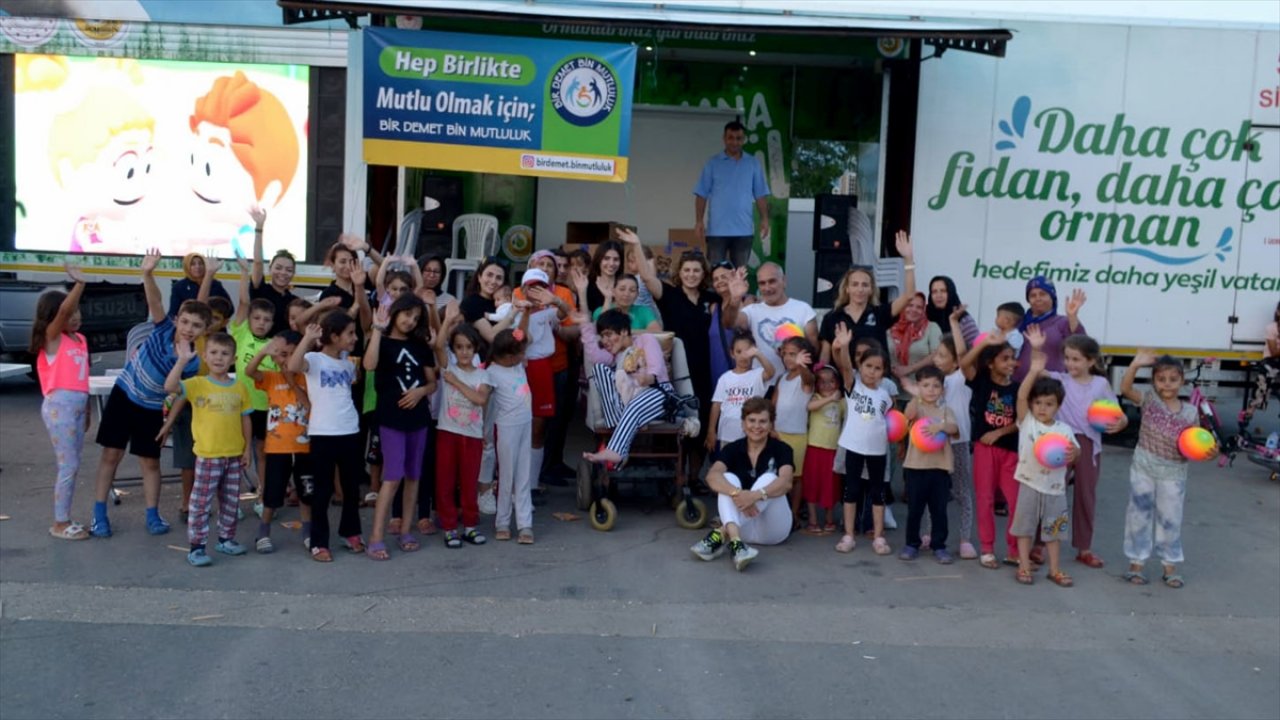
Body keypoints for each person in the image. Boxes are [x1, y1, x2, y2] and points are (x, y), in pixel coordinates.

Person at [92, 250, 210, 538]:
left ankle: (152, 515)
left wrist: (169, 421)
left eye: (196, 326)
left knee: (150, 462)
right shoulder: (161, 329)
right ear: (177, 319)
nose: (188, 329)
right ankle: (98, 515)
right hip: (124, 395)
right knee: (111, 455)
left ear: (204, 329)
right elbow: (155, 300)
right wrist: (147, 273)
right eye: (185, 322)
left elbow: (179, 393)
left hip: (151, 408)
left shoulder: (194, 361)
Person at [625, 228, 723, 480]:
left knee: (700, 421)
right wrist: (637, 243)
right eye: (687, 270)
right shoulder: (669, 295)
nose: (691, 275)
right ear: (679, 272)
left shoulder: (712, 299)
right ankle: (674, 477)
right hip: (676, 369)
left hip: (704, 368)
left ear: (703, 275)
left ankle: (693, 478)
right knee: (676, 421)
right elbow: (647, 277)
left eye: (696, 270)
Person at [156, 333, 252, 567]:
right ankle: (197, 547)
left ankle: (226, 539)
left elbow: (245, 419)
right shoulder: (197, 384)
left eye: (224, 353)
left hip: (233, 454)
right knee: (200, 503)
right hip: (208, 456)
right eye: (214, 353)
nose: (219, 358)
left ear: (233, 359)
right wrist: (181, 361)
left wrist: (247, 449)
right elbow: (169, 386)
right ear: (205, 357)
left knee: (231, 501)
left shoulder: (239, 387)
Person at [1119, 351, 1208, 589]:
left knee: (1170, 519)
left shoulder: (1190, 412)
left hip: (1174, 473)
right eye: (1161, 379)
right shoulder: (1149, 400)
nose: (1167, 384)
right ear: (1154, 382)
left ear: (1182, 381)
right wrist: (1135, 364)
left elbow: (1198, 443)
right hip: (1144, 468)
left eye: (1172, 379)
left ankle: (1170, 565)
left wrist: (1210, 451)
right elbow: (1126, 389)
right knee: (1138, 515)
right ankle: (1136, 563)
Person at [363, 296, 437, 560]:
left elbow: (432, 383)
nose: (410, 320)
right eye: (406, 314)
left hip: (419, 418)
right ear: (394, 312)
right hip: (391, 418)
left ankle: (406, 529)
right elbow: (369, 365)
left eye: (416, 317)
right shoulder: (380, 340)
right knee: (392, 476)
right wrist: (377, 329)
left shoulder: (420, 345)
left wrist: (421, 392)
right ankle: (375, 537)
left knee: (414, 476)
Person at [1045, 334, 1127, 569]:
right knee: (1053, 493)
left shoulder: (1100, 384)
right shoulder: (1059, 379)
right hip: (1060, 440)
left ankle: (1084, 548)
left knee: (1085, 496)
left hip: (1089, 443)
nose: (1070, 364)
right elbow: (1035, 371)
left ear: (1091, 362)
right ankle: (1043, 543)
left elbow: (1118, 413)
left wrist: (1121, 423)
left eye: (1076, 359)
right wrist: (1039, 349)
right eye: (1067, 358)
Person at [289, 312, 364, 562]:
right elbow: (293, 366)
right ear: (334, 336)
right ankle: (319, 542)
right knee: (322, 491)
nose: (354, 338)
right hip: (323, 432)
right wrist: (308, 338)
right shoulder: (314, 358)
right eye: (350, 333)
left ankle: (350, 531)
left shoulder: (347, 363)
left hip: (350, 430)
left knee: (351, 488)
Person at [1010, 326, 1081, 587]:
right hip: (1029, 483)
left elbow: (1075, 452)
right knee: (1025, 528)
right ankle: (1025, 567)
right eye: (1038, 402)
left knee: (1054, 531)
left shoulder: (1063, 429)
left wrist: (1075, 453)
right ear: (1031, 405)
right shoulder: (1027, 421)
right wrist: (1032, 370)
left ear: (1058, 406)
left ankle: (1054, 569)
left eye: (1049, 404)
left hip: (1054, 488)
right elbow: (1020, 394)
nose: (1042, 408)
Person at [689, 397, 794, 571]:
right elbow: (712, 476)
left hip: (773, 529)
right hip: (740, 528)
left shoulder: (782, 449)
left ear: (770, 425)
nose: (757, 426)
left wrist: (754, 495)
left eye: (763, 421)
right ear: (743, 424)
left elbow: (786, 482)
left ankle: (721, 534)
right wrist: (737, 493)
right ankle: (737, 545)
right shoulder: (732, 449)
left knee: (769, 479)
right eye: (751, 420)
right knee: (727, 478)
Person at [31, 262, 91, 540]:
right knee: (68, 466)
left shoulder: (79, 339)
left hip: (77, 406)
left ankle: (64, 518)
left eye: (77, 311)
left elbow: (83, 378)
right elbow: (65, 309)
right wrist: (79, 284)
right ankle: (60, 522)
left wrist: (88, 409)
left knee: (74, 464)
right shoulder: (51, 338)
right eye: (68, 313)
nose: (74, 316)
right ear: (54, 318)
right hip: (59, 408)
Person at [579, 309, 674, 468]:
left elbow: (656, 369)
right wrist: (585, 324)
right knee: (599, 369)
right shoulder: (614, 355)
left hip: (659, 392)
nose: (605, 340)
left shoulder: (645, 340)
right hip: (628, 404)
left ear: (624, 331)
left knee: (635, 404)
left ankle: (616, 450)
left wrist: (647, 378)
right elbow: (594, 356)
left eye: (608, 334)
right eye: (602, 336)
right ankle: (618, 422)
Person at [244, 332, 312, 554]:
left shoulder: (307, 378)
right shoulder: (271, 378)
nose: (288, 360)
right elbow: (249, 372)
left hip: (304, 447)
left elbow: (309, 406)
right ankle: (263, 531)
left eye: (294, 354)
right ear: (275, 358)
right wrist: (263, 351)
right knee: (272, 493)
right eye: (283, 355)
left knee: (305, 492)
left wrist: (293, 382)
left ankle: (308, 531)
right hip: (277, 448)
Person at [959, 330, 1021, 569]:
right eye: (1005, 358)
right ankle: (987, 548)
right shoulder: (982, 382)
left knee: (1015, 501)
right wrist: (984, 342)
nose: (1011, 363)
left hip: (1010, 451)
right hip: (985, 451)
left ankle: (1014, 549)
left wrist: (998, 433)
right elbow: (964, 363)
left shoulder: (1017, 389)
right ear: (991, 363)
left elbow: (1022, 420)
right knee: (984, 499)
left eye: (1012, 358)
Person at [831, 326, 895, 555]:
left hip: (877, 450)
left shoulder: (885, 397)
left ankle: (879, 537)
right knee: (852, 491)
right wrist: (845, 345)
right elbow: (845, 366)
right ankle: (849, 534)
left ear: (884, 372)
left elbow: (890, 424)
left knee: (877, 493)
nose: (872, 372)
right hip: (853, 447)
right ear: (860, 367)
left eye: (878, 368)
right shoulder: (853, 385)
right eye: (868, 366)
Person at [433, 307, 493, 548]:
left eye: (469, 347)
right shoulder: (449, 367)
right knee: (445, 482)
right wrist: (447, 321)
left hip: (472, 436)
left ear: (475, 348)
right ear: (454, 349)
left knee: (469, 482)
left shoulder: (482, 376)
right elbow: (438, 346)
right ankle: (449, 527)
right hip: (448, 433)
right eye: (459, 347)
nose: (464, 352)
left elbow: (480, 400)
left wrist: (456, 383)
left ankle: (469, 525)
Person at [508, 270, 568, 501]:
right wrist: (524, 310)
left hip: (542, 367)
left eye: (541, 287)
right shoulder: (510, 311)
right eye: (531, 287)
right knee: (513, 425)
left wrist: (555, 300)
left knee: (538, 426)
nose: (535, 292)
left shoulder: (549, 312)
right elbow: (518, 336)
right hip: (517, 368)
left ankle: (531, 485)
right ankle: (511, 484)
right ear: (522, 289)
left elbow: (565, 314)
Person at [524, 249, 581, 487]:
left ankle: (544, 471)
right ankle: (525, 477)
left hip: (556, 365)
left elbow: (576, 327)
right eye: (540, 264)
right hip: (524, 368)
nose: (545, 268)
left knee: (552, 422)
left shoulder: (562, 294)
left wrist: (554, 314)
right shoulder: (518, 294)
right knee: (526, 423)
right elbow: (514, 334)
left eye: (550, 265)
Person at [818, 231, 918, 366]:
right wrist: (821, 374)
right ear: (847, 288)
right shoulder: (832, 317)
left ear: (871, 289)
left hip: (877, 381)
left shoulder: (880, 313)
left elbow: (910, 295)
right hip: (845, 382)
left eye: (865, 285)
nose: (860, 289)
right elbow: (825, 354)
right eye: (855, 284)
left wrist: (908, 260)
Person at [899, 365, 960, 564]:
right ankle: (911, 544)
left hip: (940, 469)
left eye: (936, 386)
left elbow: (954, 428)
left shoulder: (945, 411)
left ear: (943, 389)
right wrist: (915, 396)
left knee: (939, 511)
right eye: (925, 385)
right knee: (915, 509)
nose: (931, 390)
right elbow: (908, 414)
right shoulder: (918, 408)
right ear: (919, 388)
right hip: (916, 468)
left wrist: (940, 426)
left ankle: (939, 546)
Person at [723, 262, 817, 388]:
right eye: (762, 283)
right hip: (760, 386)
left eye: (772, 281)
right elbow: (729, 323)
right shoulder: (752, 310)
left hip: (795, 386)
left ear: (784, 281)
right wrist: (734, 299)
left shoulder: (804, 309)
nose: (767, 288)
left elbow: (814, 349)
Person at [693, 120, 771, 269]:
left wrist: (765, 219)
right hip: (716, 230)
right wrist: (699, 221)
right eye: (730, 137)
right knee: (715, 275)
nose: (734, 142)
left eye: (738, 138)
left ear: (744, 140)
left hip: (743, 230)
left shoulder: (753, 163)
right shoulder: (712, 163)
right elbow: (701, 194)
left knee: (740, 275)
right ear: (724, 138)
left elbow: (760, 194)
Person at [487, 326, 536, 544]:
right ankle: (503, 521)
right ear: (508, 356)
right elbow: (486, 408)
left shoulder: (517, 366)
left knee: (524, 474)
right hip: (506, 428)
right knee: (506, 475)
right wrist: (485, 434)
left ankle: (525, 523)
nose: (524, 356)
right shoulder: (492, 373)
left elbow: (526, 336)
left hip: (525, 424)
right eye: (520, 353)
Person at [708, 331, 774, 454]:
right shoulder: (725, 378)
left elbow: (770, 372)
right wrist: (711, 430)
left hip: (751, 434)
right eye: (738, 352)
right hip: (727, 434)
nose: (743, 356)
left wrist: (758, 354)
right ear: (732, 353)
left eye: (748, 351)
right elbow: (716, 405)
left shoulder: (758, 374)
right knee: (728, 468)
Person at [773, 337, 815, 523]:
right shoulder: (782, 378)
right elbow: (773, 405)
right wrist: (771, 429)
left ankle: (794, 513)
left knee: (796, 477)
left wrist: (802, 366)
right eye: (786, 354)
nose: (788, 358)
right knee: (776, 475)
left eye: (793, 354)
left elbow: (809, 380)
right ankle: (777, 511)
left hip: (797, 436)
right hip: (778, 434)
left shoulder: (805, 378)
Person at [1014, 276, 1087, 381]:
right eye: (1033, 295)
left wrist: (1072, 316)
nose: (1038, 298)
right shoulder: (1020, 323)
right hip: (1019, 385)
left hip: (1050, 388)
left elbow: (1081, 345)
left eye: (1043, 294)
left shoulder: (1063, 322)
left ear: (1052, 297)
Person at [803, 365, 845, 534]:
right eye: (822, 382)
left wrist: (838, 399)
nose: (827, 385)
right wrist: (830, 399)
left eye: (831, 381)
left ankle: (829, 518)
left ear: (837, 383)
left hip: (833, 449)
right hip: (814, 448)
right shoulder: (816, 397)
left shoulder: (842, 402)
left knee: (830, 485)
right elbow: (810, 407)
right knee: (812, 483)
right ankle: (813, 519)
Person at [247, 207, 297, 337]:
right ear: (270, 269)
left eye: (289, 270)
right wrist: (259, 227)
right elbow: (257, 263)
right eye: (278, 268)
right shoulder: (261, 290)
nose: (283, 273)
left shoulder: (293, 301)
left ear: (293, 274)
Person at [887, 293, 942, 381]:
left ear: (924, 309)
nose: (914, 310)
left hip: (921, 387)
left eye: (919, 307)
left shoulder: (932, 327)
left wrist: (909, 369)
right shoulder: (890, 327)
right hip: (892, 387)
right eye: (910, 305)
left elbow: (937, 354)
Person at [585, 273, 661, 333]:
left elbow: (657, 332)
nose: (626, 294)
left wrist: (624, 332)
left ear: (637, 294)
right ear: (613, 291)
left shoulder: (644, 311)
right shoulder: (601, 310)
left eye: (632, 290)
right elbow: (601, 331)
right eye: (622, 289)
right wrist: (608, 298)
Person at [169, 252, 230, 318]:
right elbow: (173, 313)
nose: (197, 267)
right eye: (193, 264)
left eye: (201, 263)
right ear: (187, 266)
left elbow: (230, 308)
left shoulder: (215, 284)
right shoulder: (179, 286)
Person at [925, 276, 979, 348]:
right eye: (934, 292)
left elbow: (976, 350)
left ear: (951, 293)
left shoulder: (963, 319)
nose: (938, 295)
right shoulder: (925, 315)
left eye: (943, 291)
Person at [580, 241, 624, 314]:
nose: (611, 263)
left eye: (616, 259)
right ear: (599, 260)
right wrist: (581, 291)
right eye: (606, 258)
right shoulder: (587, 284)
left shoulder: (625, 283)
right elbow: (585, 320)